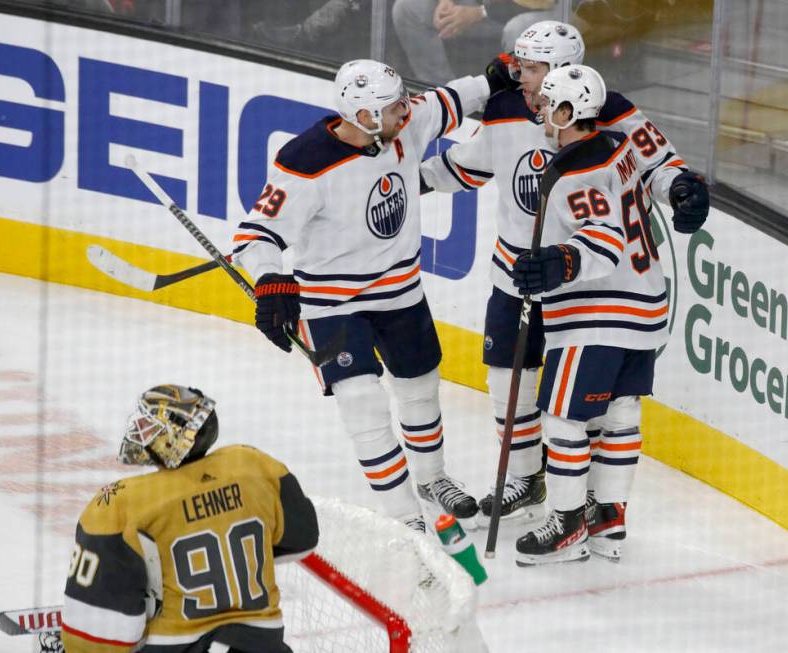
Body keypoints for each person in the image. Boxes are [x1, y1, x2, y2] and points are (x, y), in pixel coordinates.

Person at [419, 20, 704, 538]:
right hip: (518, 276)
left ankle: (592, 506)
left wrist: (681, 188)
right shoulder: (505, 110)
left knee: (589, 408)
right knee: (509, 383)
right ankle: (528, 479)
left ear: (563, 76)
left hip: (587, 289)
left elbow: (658, 166)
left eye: (529, 68)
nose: (517, 75)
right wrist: (403, 180)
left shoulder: (610, 113)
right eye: (520, 65)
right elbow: (459, 169)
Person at [232, 59, 515, 532]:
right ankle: (405, 519)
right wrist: (271, 281)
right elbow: (255, 234)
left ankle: (432, 480)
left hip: (400, 291)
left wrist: (494, 75)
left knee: (421, 388)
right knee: (362, 402)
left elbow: (451, 98)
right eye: (391, 107)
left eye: (402, 99)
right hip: (332, 304)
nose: (405, 110)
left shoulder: (404, 121)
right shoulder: (305, 162)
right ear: (362, 117)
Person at [506, 64, 707, 566]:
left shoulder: (577, 169)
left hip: (597, 312)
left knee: (563, 417)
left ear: (570, 110)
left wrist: (559, 261)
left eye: (548, 101)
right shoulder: (619, 146)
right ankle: (608, 520)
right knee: (619, 414)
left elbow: (603, 239)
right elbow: (655, 173)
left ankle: (567, 524)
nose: (539, 109)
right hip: (645, 303)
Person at [60, 385, 319, 652]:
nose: (139, 431)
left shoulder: (123, 503)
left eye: (150, 427)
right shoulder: (253, 466)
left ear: (174, 439)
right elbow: (304, 539)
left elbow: (95, 638)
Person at [392, 0, 560, 82]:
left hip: (539, 10)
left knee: (519, 30)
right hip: (481, 8)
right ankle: (444, 96)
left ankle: (520, 109)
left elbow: (541, 2)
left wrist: (478, 12)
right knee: (408, 7)